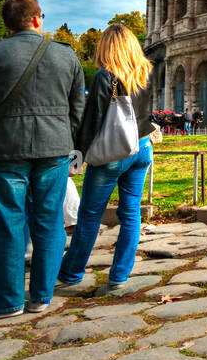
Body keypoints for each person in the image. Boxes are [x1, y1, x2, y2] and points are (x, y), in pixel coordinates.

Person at [0, 0, 84, 323]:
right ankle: (41, 296)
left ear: (7, 25)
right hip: (54, 150)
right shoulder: (66, 56)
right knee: (50, 221)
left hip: (5, 150)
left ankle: (4, 302)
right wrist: (75, 151)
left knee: (8, 223)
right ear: (39, 20)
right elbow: (77, 112)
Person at [56, 24, 156, 295]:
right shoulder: (145, 72)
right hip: (142, 148)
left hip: (114, 152)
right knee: (131, 213)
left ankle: (71, 272)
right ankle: (120, 274)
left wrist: (77, 154)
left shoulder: (107, 77)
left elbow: (93, 120)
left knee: (90, 214)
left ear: (107, 47)